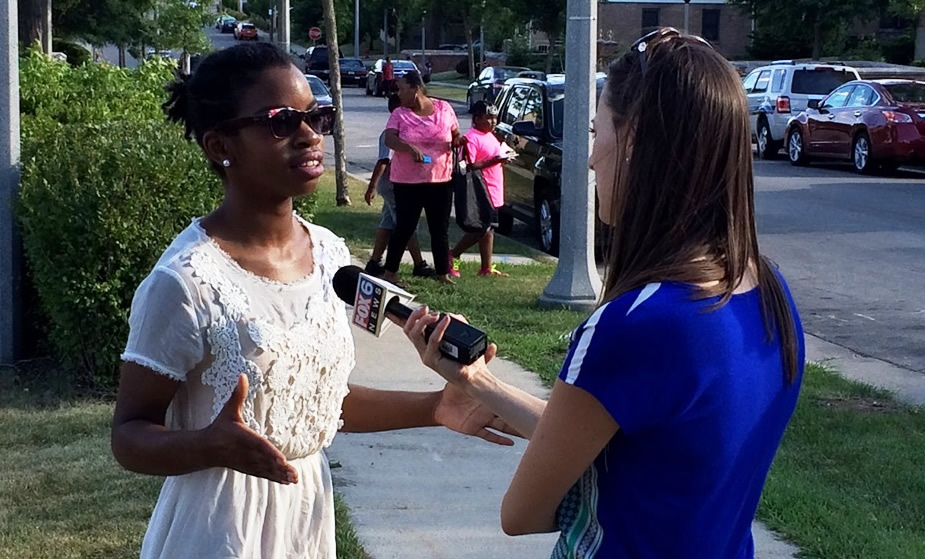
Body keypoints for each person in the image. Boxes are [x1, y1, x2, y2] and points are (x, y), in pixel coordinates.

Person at [402, 27, 805, 559]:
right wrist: (479, 384)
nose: (591, 160)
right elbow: (632, 441)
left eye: (597, 131)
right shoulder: (766, 289)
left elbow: (522, 514)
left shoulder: (637, 324)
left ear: (633, 140)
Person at [110, 43, 513, 559]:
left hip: (307, 516)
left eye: (316, 117)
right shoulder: (185, 282)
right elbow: (129, 436)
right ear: (218, 146)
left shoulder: (328, 253)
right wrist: (207, 444)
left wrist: (435, 408)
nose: (309, 134)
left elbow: (317, 402)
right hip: (218, 528)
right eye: (281, 122)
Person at [383, 70, 466, 285]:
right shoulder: (399, 114)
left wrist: (458, 140)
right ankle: (390, 271)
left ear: (415, 88)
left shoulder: (444, 109)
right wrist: (408, 147)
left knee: (439, 228)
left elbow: (455, 133)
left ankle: (442, 273)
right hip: (407, 182)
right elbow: (390, 140)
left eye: (401, 89)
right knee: (405, 227)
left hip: (440, 180)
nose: (398, 93)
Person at [364, 93, 435, 278]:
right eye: (407, 107)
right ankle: (419, 264)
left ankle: (374, 261)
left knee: (388, 222)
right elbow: (383, 161)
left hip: (398, 183)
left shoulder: (403, 130)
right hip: (394, 184)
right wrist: (372, 187)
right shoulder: (391, 134)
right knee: (406, 225)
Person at [449, 101, 512, 278]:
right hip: (480, 190)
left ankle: (486, 268)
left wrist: (503, 158)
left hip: (494, 189)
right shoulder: (472, 137)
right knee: (479, 229)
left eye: (495, 118)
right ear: (476, 119)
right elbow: (468, 166)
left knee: (489, 228)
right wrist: (495, 160)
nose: (493, 122)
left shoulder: (491, 136)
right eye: (488, 118)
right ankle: (453, 255)